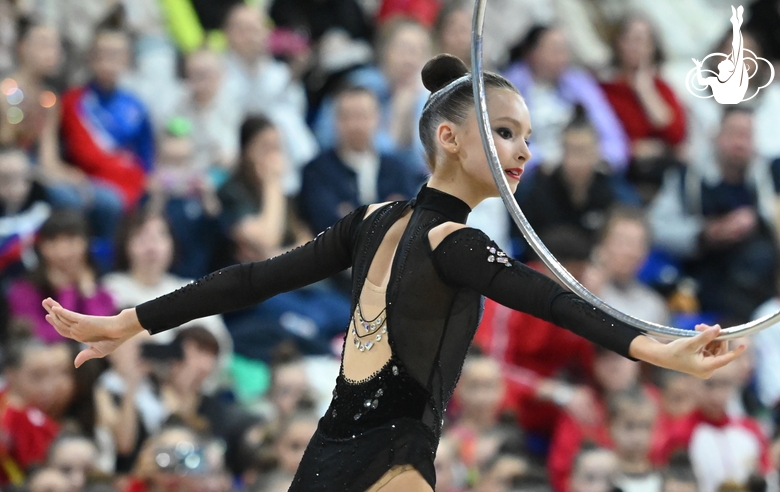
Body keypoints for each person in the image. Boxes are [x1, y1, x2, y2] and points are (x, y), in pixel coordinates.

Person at [42, 54, 744, 492]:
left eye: (529, 136)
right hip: (394, 462)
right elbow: (553, 302)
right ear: (449, 137)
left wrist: (131, 321)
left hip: (324, 458)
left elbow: (250, 279)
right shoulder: (455, 242)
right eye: (505, 132)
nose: (524, 150)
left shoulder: (374, 217)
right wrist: (660, 351)